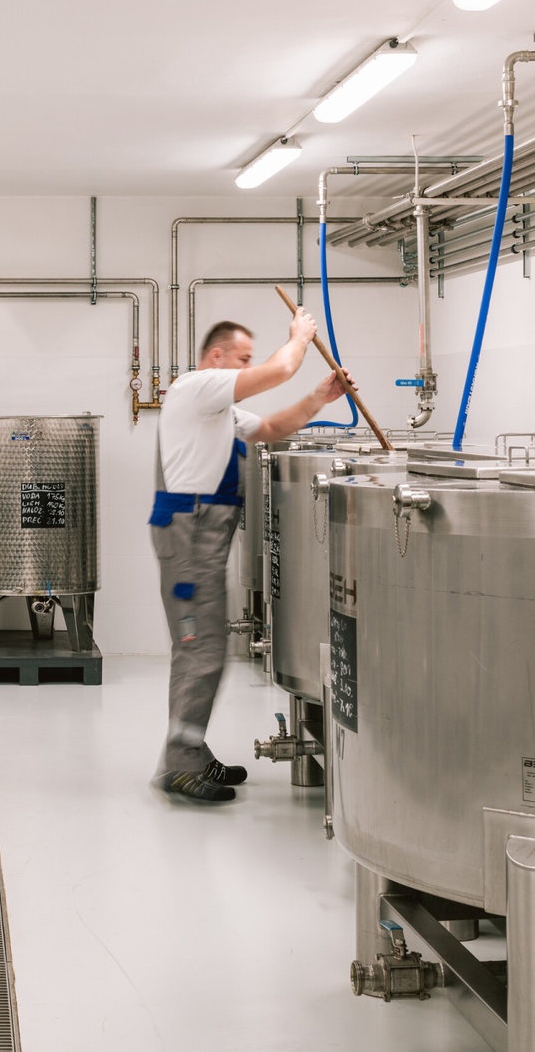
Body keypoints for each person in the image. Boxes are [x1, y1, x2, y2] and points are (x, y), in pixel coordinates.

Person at [150, 313, 350, 804]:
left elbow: (273, 427)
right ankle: (179, 765)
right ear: (216, 357)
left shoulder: (219, 412)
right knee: (201, 649)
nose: (247, 367)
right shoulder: (196, 386)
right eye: (242, 358)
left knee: (204, 648)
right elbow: (278, 370)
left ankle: (191, 752)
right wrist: (299, 338)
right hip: (190, 537)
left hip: (201, 538)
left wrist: (319, 398)